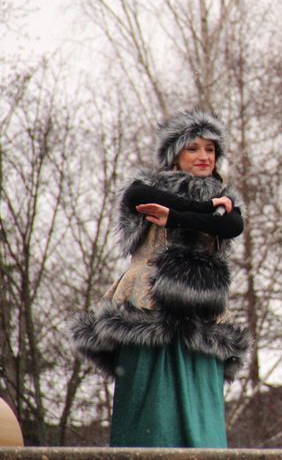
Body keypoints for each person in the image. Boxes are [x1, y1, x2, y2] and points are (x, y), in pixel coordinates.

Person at [72, 109, 249, 448]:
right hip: (148, 307)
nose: (203, 156)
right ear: (174, 154)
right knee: (151, 416)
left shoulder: (227, 201)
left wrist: (176, 217)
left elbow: (231, 226)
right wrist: (205, 207)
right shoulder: (147, 187)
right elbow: (137, 199)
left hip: (202, 315)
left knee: (201, 417)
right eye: (193, 148)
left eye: (210, 149)